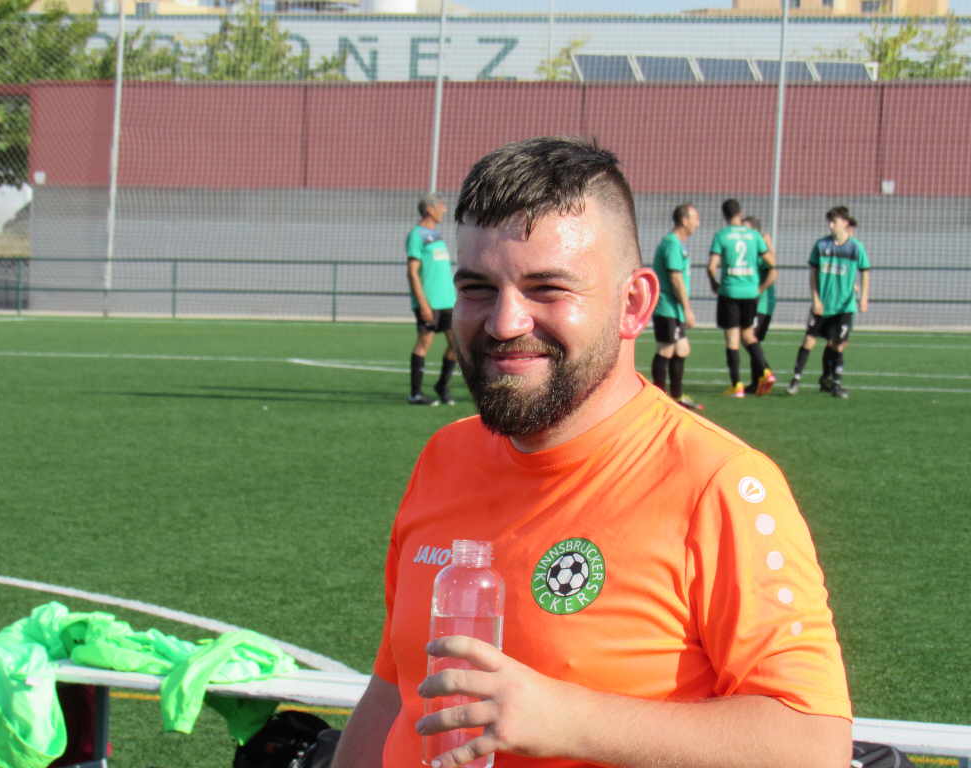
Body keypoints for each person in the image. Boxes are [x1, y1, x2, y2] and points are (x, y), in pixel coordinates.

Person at [332, 137, 851, 768]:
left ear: (633, 304)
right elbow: (396, 686)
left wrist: (571, 720)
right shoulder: (446, 455)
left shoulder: (718, 483)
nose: (504, 322)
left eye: (547, 288)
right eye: (477, 288)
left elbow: (814, 745)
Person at [786, 206, 870, 400]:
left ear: (845, 223)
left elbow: (865, 271)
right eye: (829, 222)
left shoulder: (856, 247)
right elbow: (813, 274)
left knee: (838, 345)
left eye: (834, 222)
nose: (831, 225)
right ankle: (796, 379)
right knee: (809, 341)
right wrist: (815, 299)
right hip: (823, 305)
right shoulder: (821, 245)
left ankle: (835, 384)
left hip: (844, 307)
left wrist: (864, 297)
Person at [706, 200, 777, 398]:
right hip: (751, 293)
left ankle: (736, 385)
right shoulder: (754, 235)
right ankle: (766, 371)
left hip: (730, 292)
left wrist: (714, 283)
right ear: (740, 212)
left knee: (732, 338)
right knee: (748, 335)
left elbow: (711, 266)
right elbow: (771, 262)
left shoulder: (722, 235)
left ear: (724, 215)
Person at [406, 194, 458, 406]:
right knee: (424, 343)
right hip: (430, 302)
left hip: (448, 301)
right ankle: (415, 394)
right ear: (429, 209)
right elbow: (412, 272)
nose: (444, 209)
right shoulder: (416, 235)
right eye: (440, 206)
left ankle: (441, 386)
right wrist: (423, 303)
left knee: (457, 345)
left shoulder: (436, 235)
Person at [650, 203, 703, 411]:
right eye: (695, 218)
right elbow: (675, 278)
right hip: (667, 307)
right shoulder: (671, 244)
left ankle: (677, 397)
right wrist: (687, 309)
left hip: (674, 308)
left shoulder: (677, 244)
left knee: (682, 349)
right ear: (684, 220)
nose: (698, 223)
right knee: (666, 349)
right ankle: (657, 399)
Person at [742, 215, 776, 395]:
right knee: (752, 340)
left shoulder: (760, 253)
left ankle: (766, 371)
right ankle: (756, 382)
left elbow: (773, 272)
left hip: (761, 304)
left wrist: (759, 290)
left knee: (747, 337)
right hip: (758, 303)